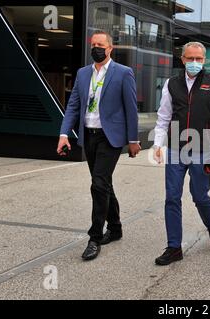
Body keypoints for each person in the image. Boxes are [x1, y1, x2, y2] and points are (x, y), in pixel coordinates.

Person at [57, 31, 140, 261]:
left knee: (98, 184)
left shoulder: (123, 73)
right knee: (103, 184)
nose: (96, 48)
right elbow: (73, 105)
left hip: (110, 137)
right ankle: (116, 227)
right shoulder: (83, 73)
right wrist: (64, 133)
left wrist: (133, 140)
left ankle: (95, 237)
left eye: (100, 44)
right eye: (93, 44)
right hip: (89, 136)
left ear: (110, 48)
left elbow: (131, 108)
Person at [152, 42, 210, 266]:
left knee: (199, 196)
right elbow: (164, 116)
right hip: (176, 149)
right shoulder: (171, 83)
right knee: (172, 197)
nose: (194, 62)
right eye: (190, 58)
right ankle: (174, 247)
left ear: (204, 60)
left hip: (202, 149)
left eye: (199, 59)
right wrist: (158, 143)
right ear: (183, 59)